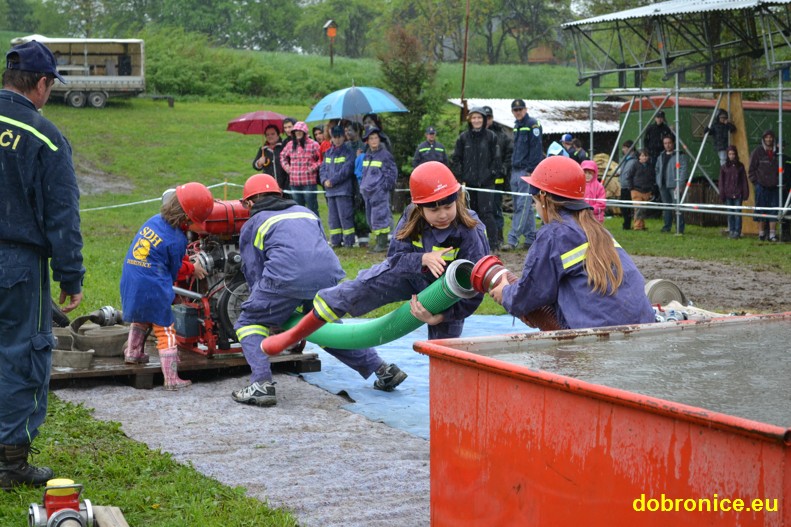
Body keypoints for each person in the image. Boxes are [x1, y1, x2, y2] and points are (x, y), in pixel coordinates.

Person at [232, 174, 405, 406]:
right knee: (323, 324)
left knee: (248, 323)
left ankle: (261, 384)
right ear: (280, 195)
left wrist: (262, 307)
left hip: (287, 277)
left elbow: (253, 269)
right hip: (327, 274)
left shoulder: (254, 223)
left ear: (248, 203)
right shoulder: (305, 211)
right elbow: (317, 247)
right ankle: (383, 369)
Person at [0, 40, 85, 489]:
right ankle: (10, 463)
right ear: (42, 83)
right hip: (16, 262)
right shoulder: (44, 135)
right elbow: (62, 216)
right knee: (21, 356)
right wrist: (69, 275)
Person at [313, 161, 489, 343]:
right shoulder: (411, 216)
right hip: (411, 276)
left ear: (457, 199)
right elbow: (395, 259)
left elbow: (475, 288)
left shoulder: (470, 231)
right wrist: (423, 259)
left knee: (443, 350)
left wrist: (442, 317)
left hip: (446, 294)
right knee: (365, 284)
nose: (443, 215)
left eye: (448, 207)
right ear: (419, 208)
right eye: (434, 209)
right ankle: (314, 313)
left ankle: (441, 355)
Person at [489, 156, 655, 330]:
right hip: (643, 328)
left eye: (535, 201)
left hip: (600, 339)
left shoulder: (554, 235)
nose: (536, 206)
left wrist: (505, 292)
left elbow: (527, 297)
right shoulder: (598, 230)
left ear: (544, 198)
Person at [121, 182, 214, 391]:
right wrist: (193, 268)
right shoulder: (176, 239)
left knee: (141, 318)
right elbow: (175, 271)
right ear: (188, 218)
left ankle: (133, 354)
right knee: (166, 330)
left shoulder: (153, 221)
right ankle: (171, 379)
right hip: (152, 284)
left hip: (132, 277)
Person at [451, 107, 502, 251]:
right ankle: (473, 244)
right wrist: (461, 177)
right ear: (470, 120)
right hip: (469, 184)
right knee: (470, 214)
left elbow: (497, 159)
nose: (477, 120)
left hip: (487, 184)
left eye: (479, 117)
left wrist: (490, 175)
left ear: (484, 119)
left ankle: (493, 244)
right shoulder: (463, 138)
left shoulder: (491, 137)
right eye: (474, 118)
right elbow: (456, 159)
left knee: (487, 213)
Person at [503, 98, 543, 252]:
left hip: (526, 171)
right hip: (515, 170)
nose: (518, 112)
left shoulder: (533, 125)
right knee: (524, 207)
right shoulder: (517, 126)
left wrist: (532, 169)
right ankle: (531, 237)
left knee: (522, 206)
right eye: (515, 110)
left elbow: (536, 148)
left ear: (525, 109)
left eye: (520, 110)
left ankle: (512, 239)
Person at [360, 126, 398, 252]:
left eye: (376, 138)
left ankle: (381, 244)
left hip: (379, 194)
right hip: (368, 194)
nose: (374, 140)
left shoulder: (385, 155)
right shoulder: (367, 156)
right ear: (367, 141)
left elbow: (392, 174)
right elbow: (365, 174)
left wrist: (382, 189)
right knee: (372, 219)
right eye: (371, 138)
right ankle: (379, 242)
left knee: (380, 218)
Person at [320, 125, 357, 248]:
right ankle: (335, 241)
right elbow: (323, 168)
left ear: (343, 137)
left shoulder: (348, 152)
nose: (337, 140)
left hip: (343, 191)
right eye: (334, 137)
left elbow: (347, 170)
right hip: (330, 191)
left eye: (339, 137)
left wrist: (333, 180)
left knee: (345, 217)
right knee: (333, 218)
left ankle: (349, 241)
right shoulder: (328, 153)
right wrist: (324, 180)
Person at [484, 105, 513, 249]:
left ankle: (499, 237)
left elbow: (509, 154)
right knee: (481, 211)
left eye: (489, 117)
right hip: (481, 180)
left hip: (497, 180)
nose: (487, 120)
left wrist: (503, 168)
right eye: (485, 117)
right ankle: (484, 238)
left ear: (492, 118)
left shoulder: (501, 135)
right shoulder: (474, 134)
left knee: (495, 209)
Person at [280, 121, 321, 217]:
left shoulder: (313, 144)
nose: (298, 133)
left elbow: (321, 159)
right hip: (294, 183)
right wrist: (287, 168)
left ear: (305, 132)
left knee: (312, 209)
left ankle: (315, 229)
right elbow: (282, 156)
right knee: (298, 209)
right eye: (296, 131)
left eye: (300, 131)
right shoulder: (290, 144)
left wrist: (312, 168)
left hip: (309, 182)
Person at [748, 130, 780, 241]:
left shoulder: (778, 152)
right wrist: (756, 182)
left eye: (771, 137)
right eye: (767, 137)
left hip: (774, 186)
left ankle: (772, 234)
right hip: (761, 186)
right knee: (760, 210)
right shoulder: (758, 151)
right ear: (763, 139)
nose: (769, 139)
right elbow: (751, 169)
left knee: (774, 210)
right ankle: (761, 234)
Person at [655, 135, 688, 234]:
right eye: (665, 143)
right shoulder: (661, 156)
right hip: (663, 186)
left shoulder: (680, 156)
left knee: (677, 207)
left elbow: (683, 171)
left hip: (675, 186)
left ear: (673, 143)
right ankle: (666, 227)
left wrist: (680, 184)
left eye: (669, 143)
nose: (667, 145)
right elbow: (657, 169)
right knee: (666, 207)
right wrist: (658, 181)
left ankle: (679, 228)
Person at [719, 145, 750, 239]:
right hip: (728, 193)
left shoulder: (740, 166)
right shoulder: (724, 167)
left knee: (737, 214)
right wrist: (722, 193)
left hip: (738, 194)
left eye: (733, 154)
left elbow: (744, 180)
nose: (731, 156)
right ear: (727, 155)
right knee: (730, 214)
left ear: (736, 154)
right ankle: (731, 230)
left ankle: (737, 231)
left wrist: (745, 193)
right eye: (730, 154)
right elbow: (721, 182)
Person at [251, 124, 288, 192]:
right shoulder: (263, 149)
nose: (270, 136)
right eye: (267, 135)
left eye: (272, 134)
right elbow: (255, 166)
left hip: (285, 185)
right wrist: (259, 163)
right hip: (269, 186)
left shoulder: (284, 146)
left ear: (278, 134)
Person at [628, 150, 655, 231]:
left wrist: (651, 189)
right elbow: (629, 176)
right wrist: (631, 188)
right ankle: (637, 226)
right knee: (638, 209)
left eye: (646, 156)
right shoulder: (635, 165)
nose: (644, 158)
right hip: (636, 190)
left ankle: (641, 225)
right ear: (639, 157)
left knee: (643, 209)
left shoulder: (650, 166)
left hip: (647, 190)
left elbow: (652, 178)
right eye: (642, 156)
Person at [618, 140, 637, 230]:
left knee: (628, 207)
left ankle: (628, 224)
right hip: (623, 185)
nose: (623, 149)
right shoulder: (624, 159)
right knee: (623, 207)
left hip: (629, 186)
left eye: (625, 147)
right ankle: (626, 223)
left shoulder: (634, 160)